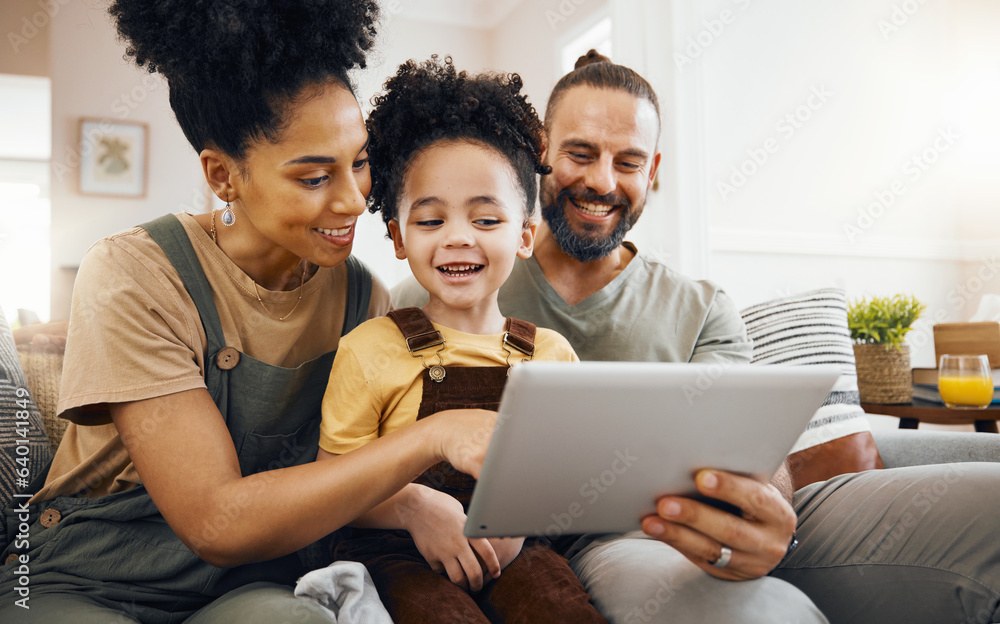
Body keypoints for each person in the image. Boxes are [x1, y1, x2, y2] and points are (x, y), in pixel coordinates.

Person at [393, 52, 1000, 624]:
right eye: (580, 153)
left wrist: (762, 506)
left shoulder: (702, 307)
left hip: (676, 524)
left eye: (628, 161)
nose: (602, 181)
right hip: (584, 549)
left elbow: (753, 457)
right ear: (541, 154)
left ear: (652, 171)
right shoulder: (455, 279)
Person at [0, 3, 496, 623]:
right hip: (93, 573)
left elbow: (344, 469)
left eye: (360, 162)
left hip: (251, 581)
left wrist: (409, 503)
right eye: (315, 177)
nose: (353, 198)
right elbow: (214, 521)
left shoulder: (362, 297)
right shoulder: (135, 273)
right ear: (223, 175)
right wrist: (432, 438)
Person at [315, 56, 606, 624]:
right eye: (429, 221)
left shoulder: (551, 355)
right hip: (397, 553)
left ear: (525, 234)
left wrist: (523, 522)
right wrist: (414, 506)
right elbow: (332, 485)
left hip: (516, 551)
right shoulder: (371, 347)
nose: (456, 239)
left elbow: (572, 475)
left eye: (486, 220)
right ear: (398, 237)